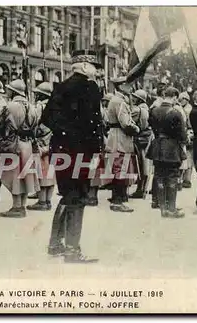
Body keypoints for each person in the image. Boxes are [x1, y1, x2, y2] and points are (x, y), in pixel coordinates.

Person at [41, 49, 104, 263]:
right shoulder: (90, 87)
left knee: (67, 195)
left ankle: (55, 243)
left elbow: (47, 117)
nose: (97, 71)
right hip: (80, 152)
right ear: (85, 67)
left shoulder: (62, 86)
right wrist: (94, 150)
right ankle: (72, 250)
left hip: (60, 150)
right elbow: (94, 124)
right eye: (95, 66)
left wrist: (65, 133)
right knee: (78, 197)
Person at [0, 79, 40, 218]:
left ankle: (16, 207)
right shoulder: (33, 107)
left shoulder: (11, 106)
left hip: (14, 143)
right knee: (26, 175)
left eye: (9, 89)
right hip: (27, 143)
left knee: (14, 175)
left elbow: (0, 125)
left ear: (14, 91)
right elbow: (35, 128)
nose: (7, 91)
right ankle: (22, 205)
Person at [147, 87, 187, 218]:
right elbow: (182, 135)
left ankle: (162, 208)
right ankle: (171, 208)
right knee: (172, 177)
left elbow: (151, 126)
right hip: (171, 149)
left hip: (157, 147)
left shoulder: (153, 111)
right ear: (175, 97)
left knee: (159, 176)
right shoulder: (176, 113)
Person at [105, 76, 140, 213]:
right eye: (128, 85)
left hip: (115, 137)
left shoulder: (115, 100)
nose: (131, 88)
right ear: (121, 86)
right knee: (120, 170)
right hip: (120, 138)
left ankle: (117, 199)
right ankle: (117, 202)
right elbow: (125, 123)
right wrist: (136, 128)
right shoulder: (120, 102)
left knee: (118, 169)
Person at [27, 82, 55, 211]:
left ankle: (42, 201)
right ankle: (48, 201)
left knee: (42, 172)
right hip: (53, 142)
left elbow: (35, 124)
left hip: (42, 141)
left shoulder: (40, 107)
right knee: (50, 172)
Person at [129, 89, 152, 199]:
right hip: (146, 138)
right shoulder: (146, 108)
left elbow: (129, 121)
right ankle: (142, 188)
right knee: (144, 164)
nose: (133, 99)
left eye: (135, 97)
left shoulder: (137, 110)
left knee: (140, 165)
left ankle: (140, 189)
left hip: (139, 138)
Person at [178, 92, 194, 188]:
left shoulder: (188, 110)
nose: (180, 101)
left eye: (182, 99)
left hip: (189, 134)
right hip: (189, 134)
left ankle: (186, 179)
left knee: (188, 158)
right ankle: (186, 179)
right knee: (187, 158)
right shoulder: (186, 108)